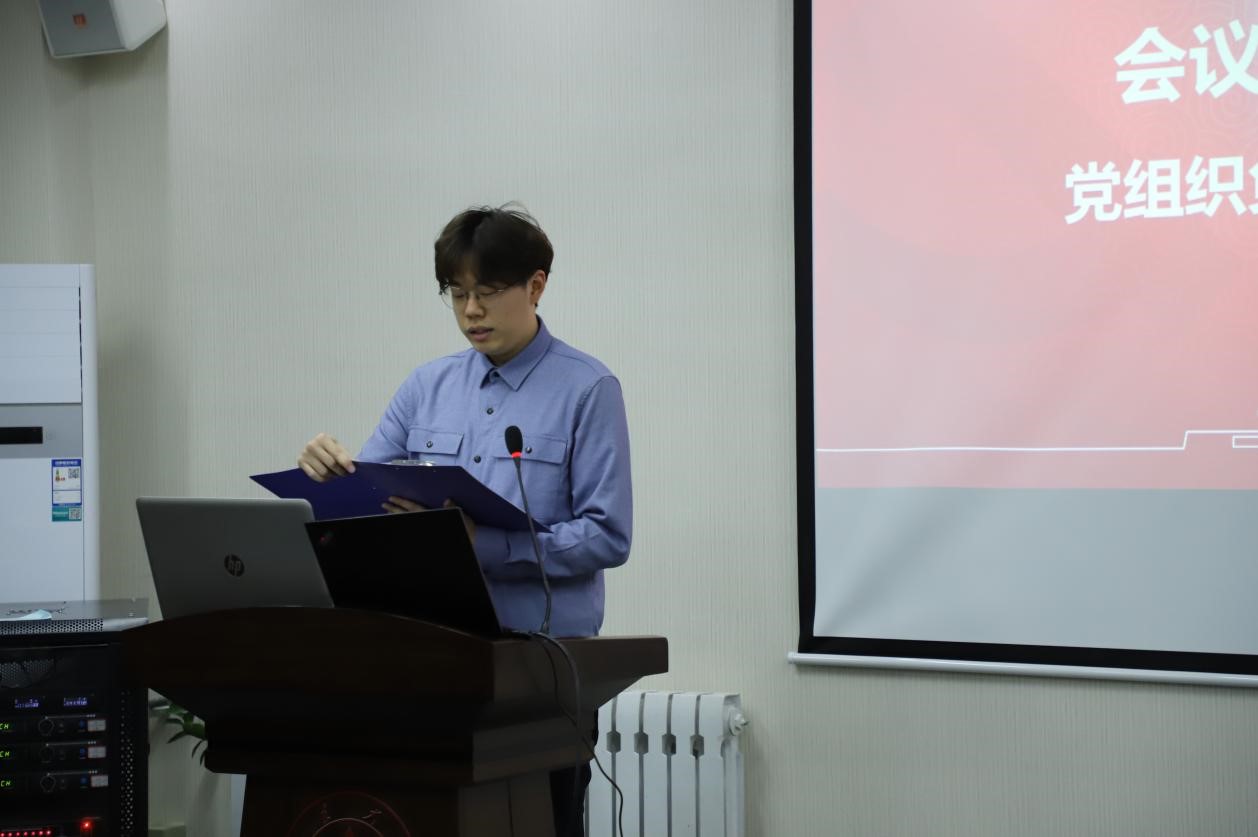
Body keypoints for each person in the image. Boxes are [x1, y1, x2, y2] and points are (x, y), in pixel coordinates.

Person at [296, 204, 630, 835]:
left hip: (537, 676)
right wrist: (327, 476)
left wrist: (487, 546)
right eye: (457, 294)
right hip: (427, 662)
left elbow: (608, 535)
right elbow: (368, 506)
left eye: (488, 292)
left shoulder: (588, 389)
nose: (471, 311)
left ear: (535, 285)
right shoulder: (425, 386)